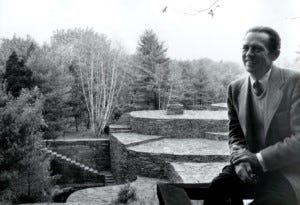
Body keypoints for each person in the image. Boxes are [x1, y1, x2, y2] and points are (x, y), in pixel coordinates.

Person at [204, 26, 300, 205]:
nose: (248, 53)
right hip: (250, 169)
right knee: (217, 189)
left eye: (257, 48)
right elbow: (236, 135)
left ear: (274, 55)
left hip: (289, 172)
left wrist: (258, 159)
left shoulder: (295, 83)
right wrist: (240, 161)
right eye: (245, 48)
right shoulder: (235, 88)